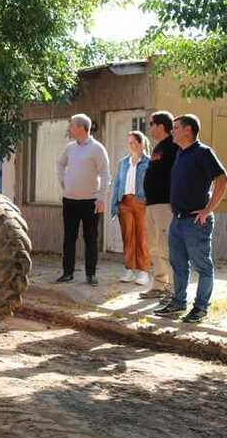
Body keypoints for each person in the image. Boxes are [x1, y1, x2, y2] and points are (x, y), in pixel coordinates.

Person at [154, 114, 227, 323]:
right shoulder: (180, 153)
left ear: (188, 130)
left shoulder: (203, 152)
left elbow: (223, 179)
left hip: (196, 222)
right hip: (178, 220)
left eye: (176, 128)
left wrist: (207, 210)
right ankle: (178, 303)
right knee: (178, 265)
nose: (172, 131)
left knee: (202, 266)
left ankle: (200, 308)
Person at [56, 114, 110, 286]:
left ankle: (91, 274)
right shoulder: (70, 148)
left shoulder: (97, 148)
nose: (69, 128)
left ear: (81, 128)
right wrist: (63, 180)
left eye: (71, 125)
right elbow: (60, 164)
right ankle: (67, 273)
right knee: (69, 238)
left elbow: (105, 174)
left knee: (91, 239)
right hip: (69, 201)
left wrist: (101, 199)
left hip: (90, 201)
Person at [139, 111, 179, 301]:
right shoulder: (159, 147)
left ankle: (174, 289)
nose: (149, 128)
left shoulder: (173, 146)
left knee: (165, 247)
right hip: (152, 204)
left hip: (165, 205)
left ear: (161, 126)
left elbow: (176, 176)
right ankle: (159, 286)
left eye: (151, 124)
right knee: (154, 247)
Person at [109, 131, 151, 286]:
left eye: (133, 142)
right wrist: (115, 205)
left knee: (142, 237)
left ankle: (144, 272)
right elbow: (117, 185)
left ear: (141, 144)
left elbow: (152, 185)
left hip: (141, 202)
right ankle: (129, 270)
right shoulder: (123, 163)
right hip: (124, 203)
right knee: (128, 238)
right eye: (129, 143)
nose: (130, 145)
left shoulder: (149, 162)